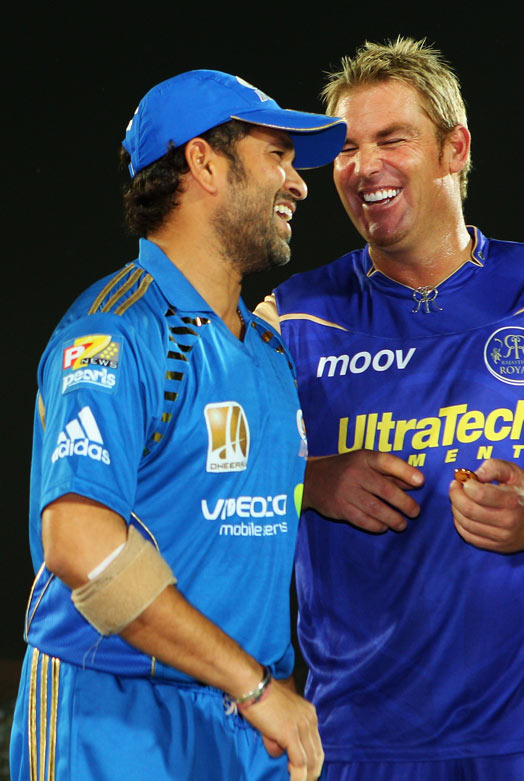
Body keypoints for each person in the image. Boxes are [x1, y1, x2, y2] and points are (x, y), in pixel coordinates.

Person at [255, 38, 524, 779]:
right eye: (349, 148)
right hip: (357, 743)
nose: (362, 166)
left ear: (456, 148)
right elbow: (215, 482)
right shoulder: (289, 318)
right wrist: (311, 478)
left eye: (393, 139)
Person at [10, 69, 346, 781]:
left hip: (241, 726)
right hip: (112, 721)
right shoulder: (113, 330)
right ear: (204, 162)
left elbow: (210, 495)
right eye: (276, 156)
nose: (299, 183)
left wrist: (319, 483)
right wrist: (252, 684)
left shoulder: (266, 352)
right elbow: (78, 540)